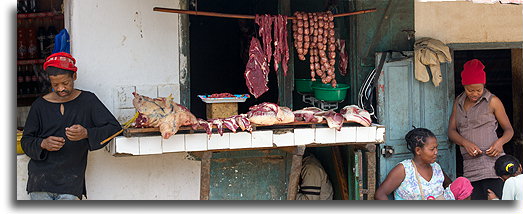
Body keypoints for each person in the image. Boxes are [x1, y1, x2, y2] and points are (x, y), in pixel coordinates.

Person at [21, 52, 122, 200]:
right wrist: (43, 143)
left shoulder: (88, 101)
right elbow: (26, 141)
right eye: (55, 85)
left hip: (71, 182)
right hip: (40, 181)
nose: (61, 88)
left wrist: (87, 133)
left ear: (74, 77)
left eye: (65, 83)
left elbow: (114, 128)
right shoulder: (39, 105)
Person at [448, 59, 514, 200]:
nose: (475, 93)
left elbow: (509, 130)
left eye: (479, 90)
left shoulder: (493, 101)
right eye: (470, 90)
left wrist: (499, 143)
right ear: (463, 85)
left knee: (497, 200)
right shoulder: (458, 103)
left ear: (484, 85)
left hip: (493, 164)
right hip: (470, 165)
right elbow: (451, 132)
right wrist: (465, 143)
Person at [375, 128, 454, 200]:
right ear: (418, 150)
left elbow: (449, 186)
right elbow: (380, 194)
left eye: (436, 148)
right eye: (432, 149)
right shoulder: (404, 169)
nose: (436, 152)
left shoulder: (436, 167)